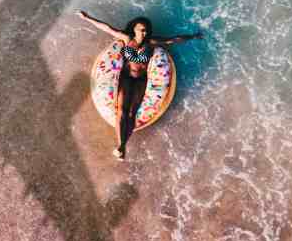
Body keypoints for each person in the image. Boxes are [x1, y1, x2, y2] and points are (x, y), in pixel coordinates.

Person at [77, 10, 204, 160]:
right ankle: (121, 146)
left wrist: (193, 36)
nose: (144, 32)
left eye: (146, 30)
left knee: (132, 113)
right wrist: (87, 18)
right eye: (141, 29)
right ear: (134, 29)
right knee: (121, 111)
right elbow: (107, 28)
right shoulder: (126, 38)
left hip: (141, 80)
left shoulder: (151, 42)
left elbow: (172, 40)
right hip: (125, 78)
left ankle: (122, 146)